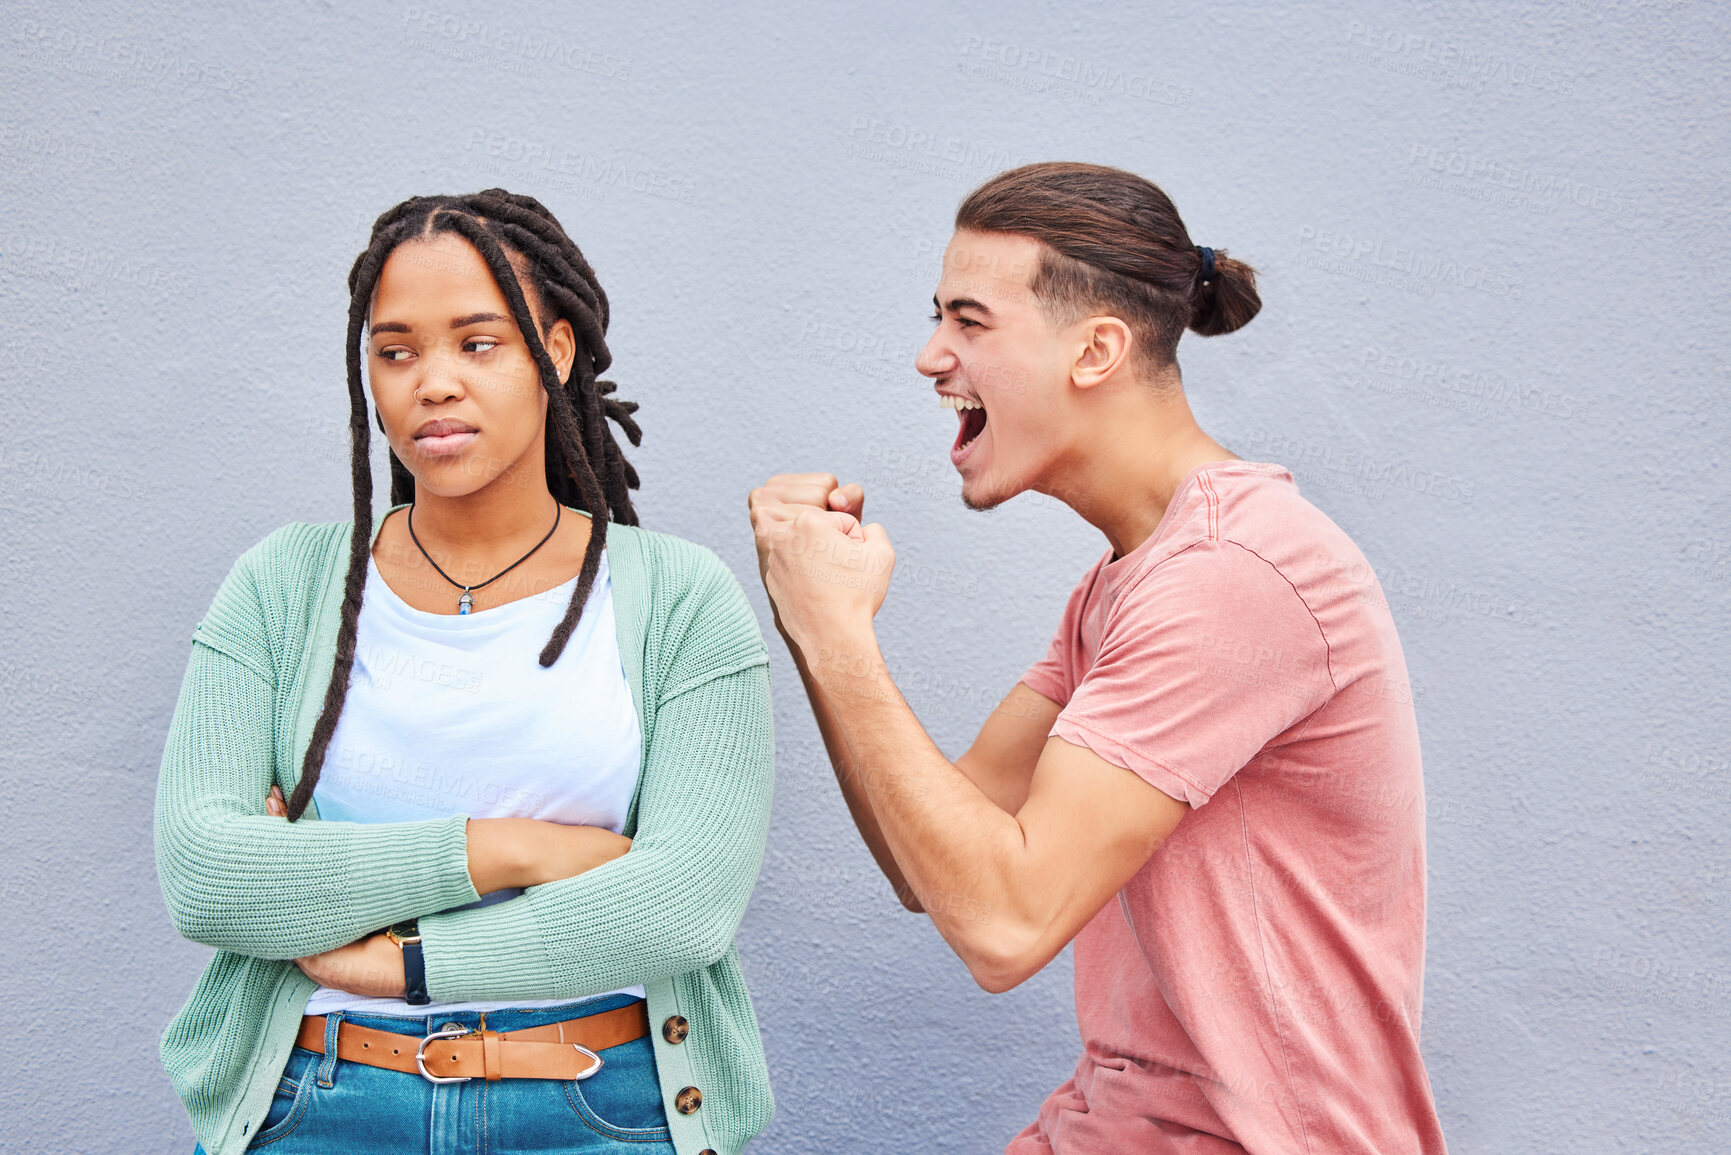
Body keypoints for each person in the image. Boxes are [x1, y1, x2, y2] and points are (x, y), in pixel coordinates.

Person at [749, 162, 1448, 1153]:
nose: (930, 356)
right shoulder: (1127, 583)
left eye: (970, 321)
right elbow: (934, 870)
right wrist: (813, 633)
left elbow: (1005, 926)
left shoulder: (1235, 574)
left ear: (1096, 351)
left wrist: (838, 633)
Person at [155, 190, 773, 1155]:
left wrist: (403, 960)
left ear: (554, 354)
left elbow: (683, 905)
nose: (431, 382)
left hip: (602, 1108)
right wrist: (509, 850)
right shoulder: (282, 586)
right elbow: (206, 874)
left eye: (477, 343)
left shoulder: (680, 598)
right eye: (395, 351)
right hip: (316, 1103)